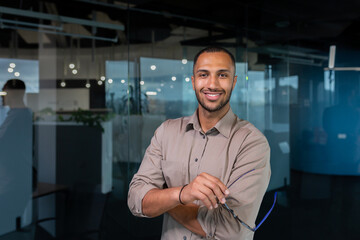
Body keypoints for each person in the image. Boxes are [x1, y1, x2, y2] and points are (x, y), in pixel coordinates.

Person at [128, 46, 271, 240]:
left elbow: (231, 231)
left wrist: (163, 197)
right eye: (204, 75)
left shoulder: (252, 143)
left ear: (234, 82)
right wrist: (182, 193)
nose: (212, 84)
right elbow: (137, 200)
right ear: (194, 81)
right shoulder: (166, 132)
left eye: (222, 75)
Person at [0, 79, 33, 235]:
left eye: (4, 92)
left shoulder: (18, 116)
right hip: (15, 176)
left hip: (13, 179)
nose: (2, 96)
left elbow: (3, 143)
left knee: (6, 224)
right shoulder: (19, 115)